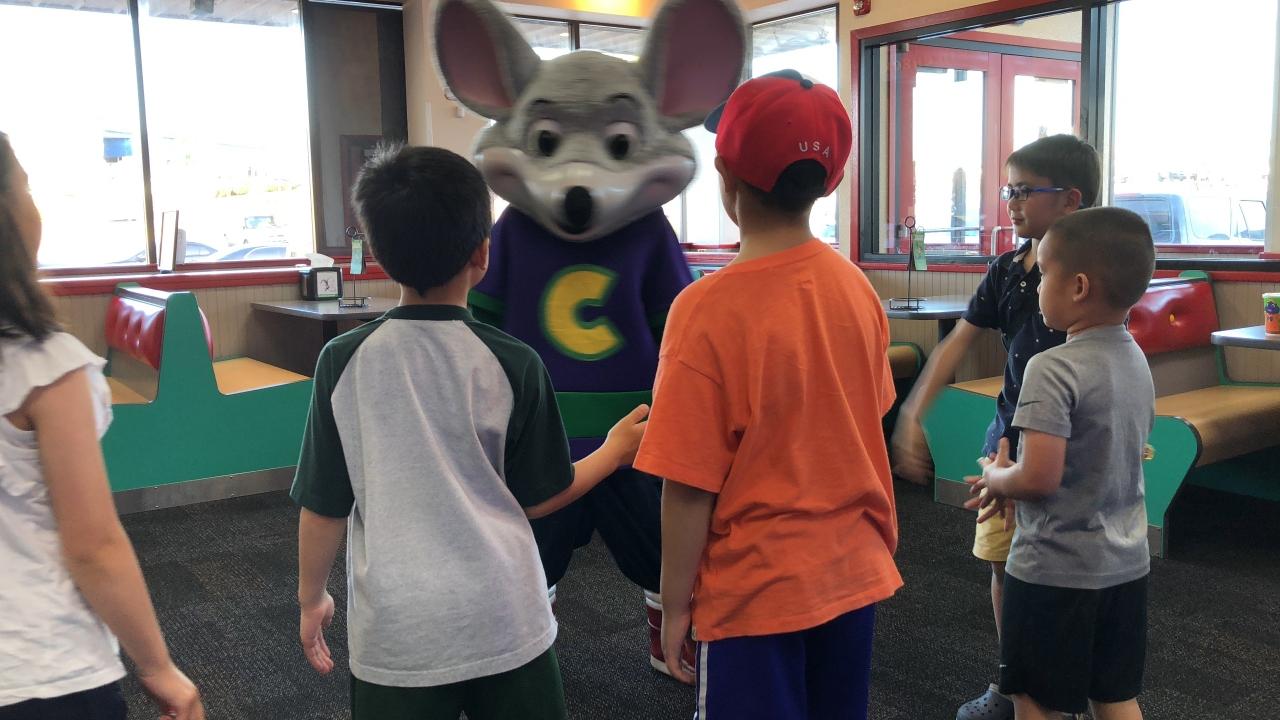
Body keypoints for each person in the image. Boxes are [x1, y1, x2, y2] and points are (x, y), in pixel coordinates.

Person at [291, 145, 648, 720]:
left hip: (397, 632)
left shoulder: (342, 361)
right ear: (482, 253)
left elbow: (323, 504)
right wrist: (614, 452)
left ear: (379, 255)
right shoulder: (513, 362)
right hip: (506, 617)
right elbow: (542, 497)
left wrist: (312, 597)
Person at [633, 71, 902, 719]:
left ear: (724, 174)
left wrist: (674, 605)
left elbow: (687, 483)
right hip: (852, 572)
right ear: (831, 180)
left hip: (755, 589)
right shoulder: (857, 288)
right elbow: (867, 415)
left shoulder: (704, 310)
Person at [890, 134, 1101, 720]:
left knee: (1063, 575)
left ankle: (1064, 688)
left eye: (1024, 191)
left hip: (1070, 447)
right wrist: (912, 414)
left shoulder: (1091, 276)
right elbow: (957, 343)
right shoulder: (1007, 269)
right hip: (1006, 441)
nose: (1010, 203)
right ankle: (1015, 680)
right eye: (1008, 191)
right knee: (1003, 564)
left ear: (1071, 199)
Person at [0, 132, 204, 719]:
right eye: (26, 188)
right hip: (41, 668)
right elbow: (93, 545)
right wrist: (158, 667)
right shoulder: (44, 365)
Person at [966, 207, 1156, 720]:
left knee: (1034, 698)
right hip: (1126, 565)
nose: (1037, 287)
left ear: (1078, 287)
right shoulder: (1136, 359)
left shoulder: (1051, 367)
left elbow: (1038, 478)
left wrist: (996, 476)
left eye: (1044, 274)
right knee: (1113, 695)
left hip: (1055, 571)